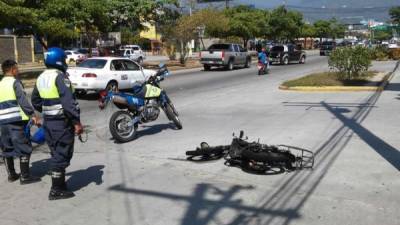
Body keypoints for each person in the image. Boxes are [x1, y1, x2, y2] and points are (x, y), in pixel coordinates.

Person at [31, 47, 83, 200]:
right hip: (61, 124)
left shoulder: (41, 77)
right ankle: (56, 189)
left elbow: (35, 101)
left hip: (49, 123)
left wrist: (47, 110)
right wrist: (77, 122)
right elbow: (68, 103)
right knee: (61, 155)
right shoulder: (60, 77)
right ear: (59, 60)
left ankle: (60, 185)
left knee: (55, 153)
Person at [0, 59, 41, 184]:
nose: (18, 71)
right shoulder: (15, 83)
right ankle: (25, 176)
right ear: (12, 70)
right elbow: (22, 100)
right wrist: (32, 114)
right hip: (15, 121)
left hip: (2, 122)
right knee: (24, 147)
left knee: (7, 148)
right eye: (17, 69)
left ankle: (12, 175)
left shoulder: (0, 83)